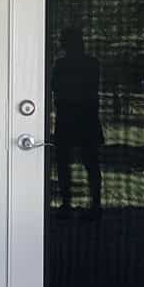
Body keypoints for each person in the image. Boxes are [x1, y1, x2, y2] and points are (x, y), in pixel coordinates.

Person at [51, 27, 103, 217]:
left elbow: (55, 87)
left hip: (71, 117)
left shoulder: (62, 65)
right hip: (85, 117)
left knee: (69, 162)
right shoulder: (91, 64)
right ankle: (94, 204)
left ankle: (69, 203)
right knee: (90, 163)